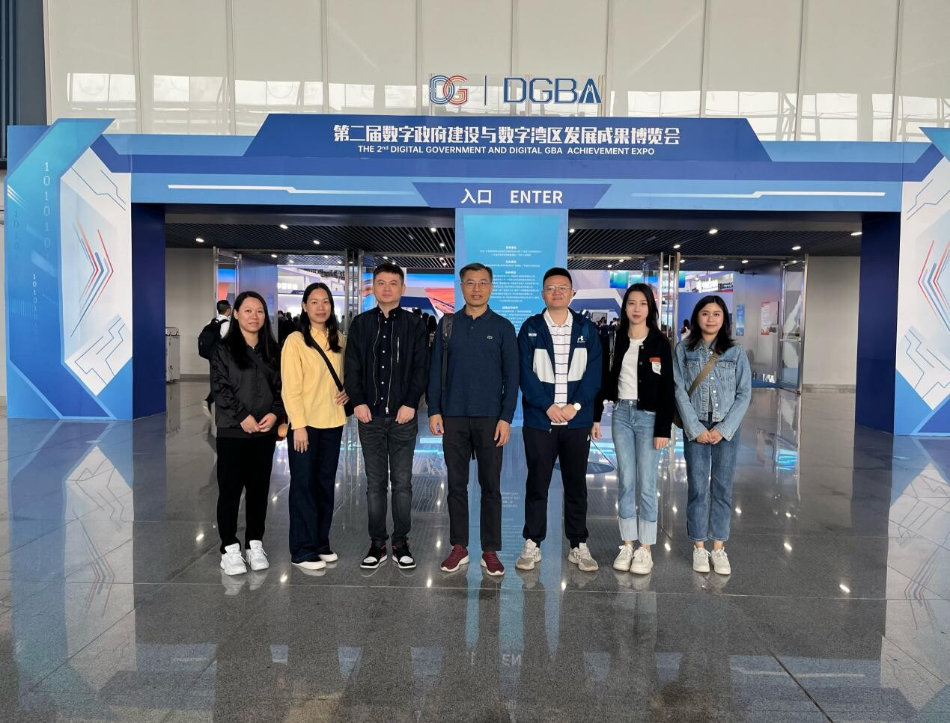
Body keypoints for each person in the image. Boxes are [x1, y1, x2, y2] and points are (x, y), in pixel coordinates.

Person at [428, 263, 518, 577]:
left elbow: (512, 377)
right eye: (470, 282)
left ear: (491, 287)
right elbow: (435, 370)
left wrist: (506, 417)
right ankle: (459, 546)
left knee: (491, 485)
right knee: (456, 484)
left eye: (482, 283)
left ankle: (490, 550)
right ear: (461, 286)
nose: (476, 289)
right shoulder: (447, 325)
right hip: (453, 416)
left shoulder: (504, 327)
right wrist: (434, 409)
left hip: (490, 418)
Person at [515, 268, 602, 573]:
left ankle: (578, 544)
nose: (556, 292)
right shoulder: (530, 328)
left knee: (576, 485)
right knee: (537, 483)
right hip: (541, 422)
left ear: (572, 293)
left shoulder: (587, 329)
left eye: (562, 287)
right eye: (550, 288)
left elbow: (594, 374)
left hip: (577, 422)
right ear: (543, 294)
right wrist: (547, 406)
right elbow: (524, 373)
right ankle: (532, 542)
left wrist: (574, 406)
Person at [344, 263, 429, 570]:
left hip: (403, 417)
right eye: (381, 283)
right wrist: (358, 401)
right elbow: (351, 365)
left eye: (393, 283)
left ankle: (401, 542)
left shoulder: (415, 324)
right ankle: (377, 543)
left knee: (403, 483)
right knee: (375, 484)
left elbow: (421, 367)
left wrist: (411, 403)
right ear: (374, 287)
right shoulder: (361, 324)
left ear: (402, 288)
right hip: (370, 417)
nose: (387, 288)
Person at [593, 284, 675, 575]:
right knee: (626, 481)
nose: (637, 309)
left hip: (650, 418)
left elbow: (668, 389)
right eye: (631, 303)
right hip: (621, 416)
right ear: (625, 307)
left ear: (650, 308)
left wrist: (663, 428)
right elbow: (604, 380)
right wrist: (596, 416)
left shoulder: (660, 343)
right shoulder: (614, 339)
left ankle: (646, 548)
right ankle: (628, 543)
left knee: (647, 483)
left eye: (642, 303)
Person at [673, 295, 752, 575]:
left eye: (717, 314)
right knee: (697, 487)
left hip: (725, 429)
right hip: (695, 426)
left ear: (724, 319)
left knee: (722, 487)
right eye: (705, 313)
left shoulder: (736, 352)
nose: (710, 319)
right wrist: (695, 428)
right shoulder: (683, 350)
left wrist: (724, 429)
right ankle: (699, 546)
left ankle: (718, 547)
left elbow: (744, 393)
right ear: (697, 317)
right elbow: (678, 390)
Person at [211, 292, 283, 576]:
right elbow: (220, 388)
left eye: (260, 311)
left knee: (258, 491)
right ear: (237, 314)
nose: (254, 316)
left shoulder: (273, 350)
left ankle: (255, 543)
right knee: (230, 491)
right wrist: (242, 417)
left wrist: (275, 413)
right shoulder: (223, 350)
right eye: (248, 310)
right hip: (233, 432)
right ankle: (229, 548)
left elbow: (282, 387)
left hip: (264, 432)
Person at [282, 282, 350, 571]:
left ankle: (321, 542)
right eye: (314, 302)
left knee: (324, 484)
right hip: (305, 425)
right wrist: (297, 425)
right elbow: (290, 387)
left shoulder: (340, 339)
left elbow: (349, 374)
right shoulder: (296, 341)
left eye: (326, 302)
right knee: (303, 485)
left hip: (333, 422)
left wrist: (349, 391)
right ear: (304, 306)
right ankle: (302, 549)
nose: (321, 307)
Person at [202, 300, 232, 416]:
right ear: (228, 309)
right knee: (224, 380)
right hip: (222, 357)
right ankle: (210, 400)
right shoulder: (227, 324)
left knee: (216, 379)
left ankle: (210, 400)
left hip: (211, 355)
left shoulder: (210, 322)